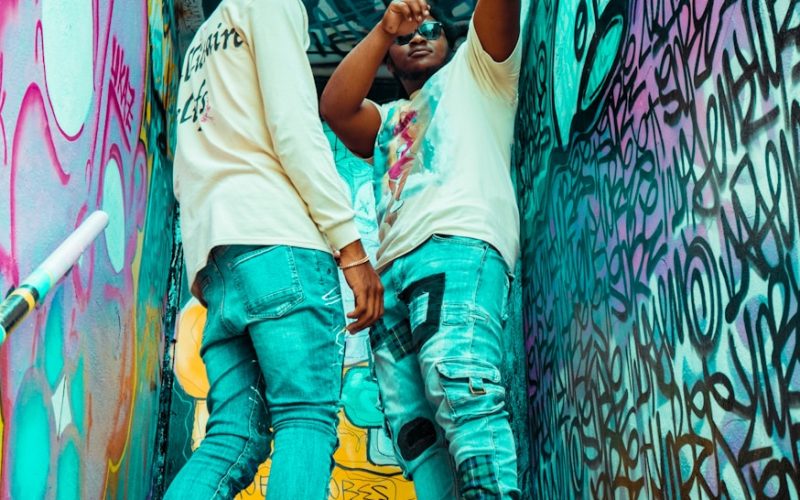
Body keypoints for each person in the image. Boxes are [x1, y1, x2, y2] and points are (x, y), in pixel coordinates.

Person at [165, 0, 384, 497]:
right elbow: (294, 127)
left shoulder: (204, 40)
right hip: (278, 240)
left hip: (217, 260)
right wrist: (351, 248)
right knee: (305, 418)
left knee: (233, 436)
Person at [321, 0, 522, 497]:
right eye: (405, 36)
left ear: (453, 41)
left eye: (433, 29)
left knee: (462, 384)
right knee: (414, 433)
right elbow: (336, 108)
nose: (418, 36)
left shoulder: (479, 73)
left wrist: (407, 25)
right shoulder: (387, 119)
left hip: (456, 246)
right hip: (391, 281)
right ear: (388, 58)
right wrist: (385, 27)